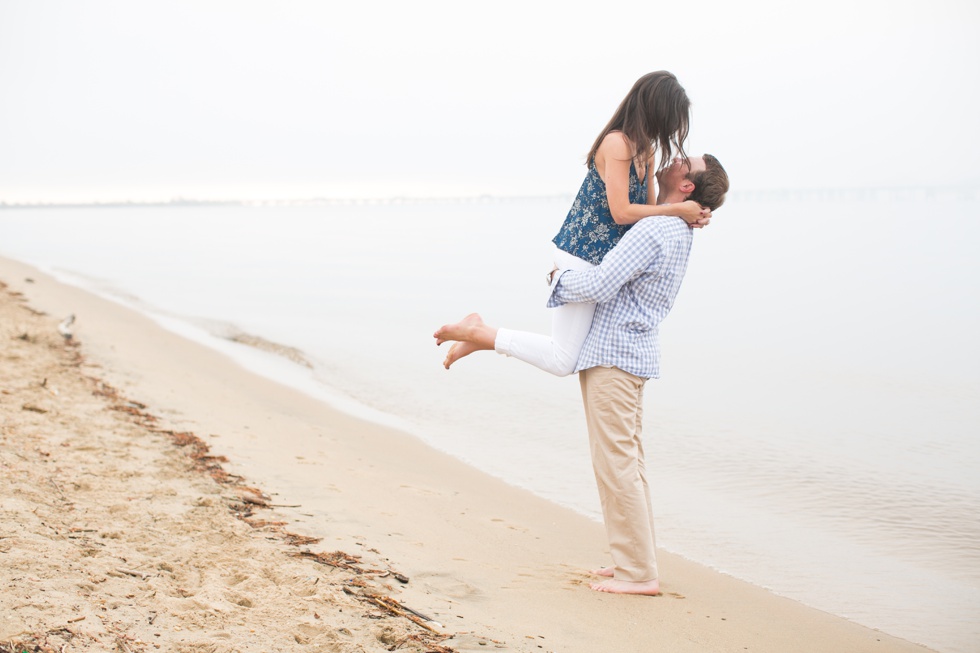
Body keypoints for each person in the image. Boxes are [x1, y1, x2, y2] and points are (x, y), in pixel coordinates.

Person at [435, 153, 730, 595]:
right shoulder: (675, 225)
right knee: (626, 465)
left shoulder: (656, 228)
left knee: (618, 467)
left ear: (687, 185)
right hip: (626, 355)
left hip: (615, 357)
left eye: (683, 162)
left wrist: (556, 277)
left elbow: (598, 283)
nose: (672, 159)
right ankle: (632, 560)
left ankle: (639, 574)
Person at [438, 71, 710, 374]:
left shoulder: (646, 151)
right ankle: (478, 332)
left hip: (602, 261)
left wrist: (688, 212)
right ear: (657, 109)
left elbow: (645, 214)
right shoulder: (618, 143)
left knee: (566, 356)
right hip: (581, 254)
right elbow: (621, 212)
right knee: (562, 360)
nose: (672, 130)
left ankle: (482, 336)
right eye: (672, 120)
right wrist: (676, 211)